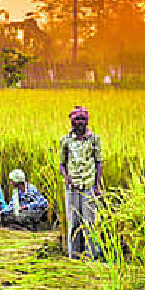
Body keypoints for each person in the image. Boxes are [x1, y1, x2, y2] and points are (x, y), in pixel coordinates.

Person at [59, 105, 103, 258]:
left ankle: (92, 256)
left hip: (89, 185)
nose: (80, 122)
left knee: (90, 222)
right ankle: (74, 256)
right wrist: (67, 178)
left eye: (83, 119)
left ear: (87, 121)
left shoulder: (94, 139)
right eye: (77, 119)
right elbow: (62, 163)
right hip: (72, 187)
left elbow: (98, 162)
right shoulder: (65, 140)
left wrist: (97, 186)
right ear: (71, 121)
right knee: (74, 223)